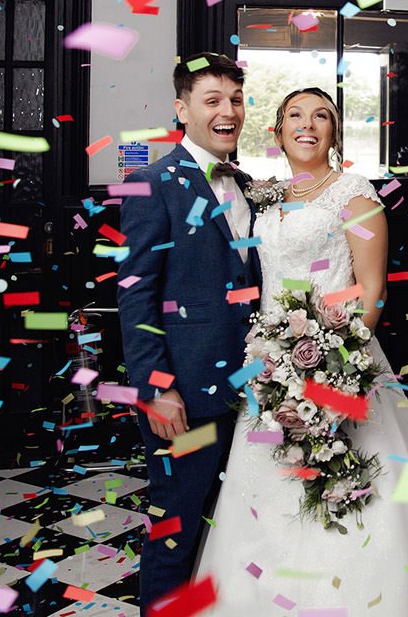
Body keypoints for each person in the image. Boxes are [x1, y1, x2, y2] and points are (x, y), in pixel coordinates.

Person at [194, 88, 408, 615]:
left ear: (334, 133)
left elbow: (371, 292)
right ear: (276, 131)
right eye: (295, 115)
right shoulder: (265, 194)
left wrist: (332, 380)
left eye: (322, 116)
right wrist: (277, 364)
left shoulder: (356, 195)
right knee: (265, 493)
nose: (307, 124)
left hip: (341, 366)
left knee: (360, 486)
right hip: (268, 366)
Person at [117, 52, 262, 610]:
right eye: (213, 101)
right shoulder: (150, 182)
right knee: (175, 525)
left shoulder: (247, 185)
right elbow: (135, 295)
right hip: (185, 393)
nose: (229, 111)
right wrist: (156, 386)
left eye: (236, 99)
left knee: (230, 522)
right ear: (182, 110)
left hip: (251, 389)